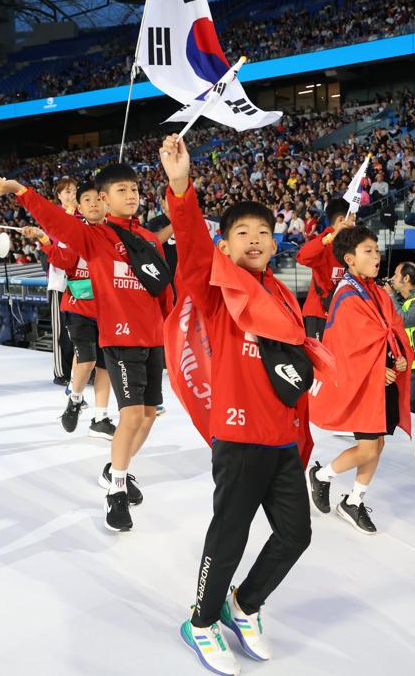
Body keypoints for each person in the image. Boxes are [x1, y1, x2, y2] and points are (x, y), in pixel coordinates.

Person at [160, 134, 332, 676]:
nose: (254, 239)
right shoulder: (216, 291)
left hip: (281, 436)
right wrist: (182, 187)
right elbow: (190, 249)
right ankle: (202, 621)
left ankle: (244, 604)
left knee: (296, 535)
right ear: (227, 246)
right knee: (228, 537)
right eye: (242, 233)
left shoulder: (279, 292)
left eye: (263, 232)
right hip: (238, 437)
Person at [0, 163, 171, 533]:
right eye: (121, 190)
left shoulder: (151, 242)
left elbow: (163, 290)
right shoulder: (95, 238)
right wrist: (20, 190)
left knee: (150, 416)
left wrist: (170, 329)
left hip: (153, 339)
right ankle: (117, 491)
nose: (131, 195)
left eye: (134, 188)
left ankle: (115, 469)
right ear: (104, 200)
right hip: (120, 339)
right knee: (133, 415)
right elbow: (56, 222)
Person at [308, 226, 412, 534]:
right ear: (350, 260)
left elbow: (390, 329)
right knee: (367, 448)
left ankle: (354, 500)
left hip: (383, 379)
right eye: (368, 251)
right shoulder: (347, 294)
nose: (376, 256)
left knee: (377, 444)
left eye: (377, 250)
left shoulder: (375, 291)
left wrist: (398, 354)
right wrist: (378, 368)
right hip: (367, 381)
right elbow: (345, 347)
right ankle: (323, 475)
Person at [20, 185, 115, 440]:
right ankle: (75, 398)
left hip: (109, 308)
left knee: (106, 365)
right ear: (80, 207)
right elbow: (64, 260)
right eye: (87, 200)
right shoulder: (78, 232)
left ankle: (101, 418)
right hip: (80, 306)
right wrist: (43, 240)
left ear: (107, 203)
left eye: (98, 199)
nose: (93, 203)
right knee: (87, 359)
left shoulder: (115, 234)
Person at [296, 198, 350, 340]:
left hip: (340, 313)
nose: (354, 224)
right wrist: (331, 236)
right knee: (320, 360)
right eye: (353, 219)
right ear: (341, 220)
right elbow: (302, 256)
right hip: (319, 313)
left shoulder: (349, 244)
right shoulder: (324, 241)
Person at [43, 178, 78, 386]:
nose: (71, 195)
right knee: (60, 330)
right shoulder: (52, 216)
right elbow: (54, 243)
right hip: (59, 282)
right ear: (58, 196)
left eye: (73, 191)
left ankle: (85, 370)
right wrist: (68, 217)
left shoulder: (83, 216)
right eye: (66, 192)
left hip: (81, 281)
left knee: (81, 329)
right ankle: (61, 372)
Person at [387, 260, 415, 412]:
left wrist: (391, 296)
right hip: (398, 364)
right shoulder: (401, 300)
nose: (392, 278)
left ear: (406, 279)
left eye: (395, 274)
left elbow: (403, 320)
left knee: (410, 412)